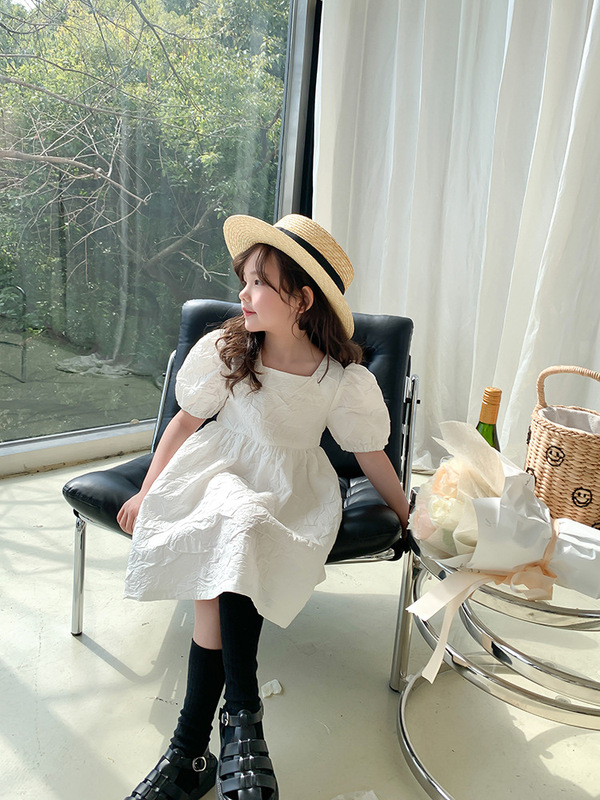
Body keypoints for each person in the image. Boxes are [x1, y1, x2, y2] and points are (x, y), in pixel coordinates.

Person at [117, 213, 410, 800]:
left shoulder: (338, 379)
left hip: (289, 486)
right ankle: (242, 719)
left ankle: (189, 752)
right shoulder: (230, 351)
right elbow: (184, 423)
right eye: (244, 281)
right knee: (235, 519)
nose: (244, 296)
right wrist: (147, 490)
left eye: (259, 284)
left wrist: (408, 513)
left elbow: (370, 453)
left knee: (235, 546)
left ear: (302, 300)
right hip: (217, 471)